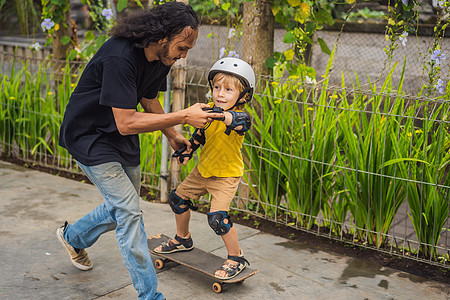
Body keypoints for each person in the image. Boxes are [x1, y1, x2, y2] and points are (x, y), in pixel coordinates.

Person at [56, 3, 224, 300]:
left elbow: (147, 99)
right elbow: (126, 122)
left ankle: (73, 237)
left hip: (118, 136)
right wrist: (183, 116)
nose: (184, 55)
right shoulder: (120, 57)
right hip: (89, 135)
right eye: (182, 47)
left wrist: (172, 134)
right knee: (130, 213)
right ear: (162, 36)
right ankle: (150, 295)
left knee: (122, 207)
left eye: (187, 49)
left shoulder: (162, 58)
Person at [154, 57, 255, 280]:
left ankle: (236, 257)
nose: (220, 93)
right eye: (217, 87)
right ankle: (183, 239)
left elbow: (238, 121)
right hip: (203, 171)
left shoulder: (240, 116)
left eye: (229, 89)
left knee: (217, 219)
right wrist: (189, 150)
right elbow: (200, 134)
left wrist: (215, 114)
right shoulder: (208, 111)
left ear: (244, 95)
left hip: (226, 175)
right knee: (177, 200)